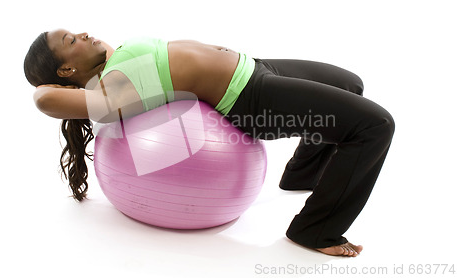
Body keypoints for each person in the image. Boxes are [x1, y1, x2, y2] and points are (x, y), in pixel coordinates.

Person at [24, 29, 395, 257]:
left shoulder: (115, 63)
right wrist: (46, 87)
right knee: (375, 125)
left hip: (257, 66)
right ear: (66, 71)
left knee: (351, 83)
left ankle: (301, 174)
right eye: (71, 40)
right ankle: (314, 229)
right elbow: (46, 101)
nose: (84, 33)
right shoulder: (111, 89)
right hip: (251, 98)